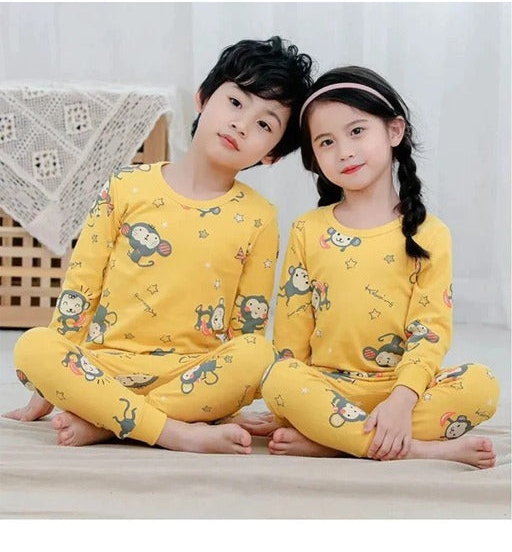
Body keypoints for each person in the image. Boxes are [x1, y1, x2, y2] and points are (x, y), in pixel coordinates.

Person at [2, 36, 313, 455]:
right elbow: (81, 287)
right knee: (33, 346)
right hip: (105, 367)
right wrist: (46, 388)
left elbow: (248, 324)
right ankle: (174, 430)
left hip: (189, 375)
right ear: (203, 98)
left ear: (272, 154)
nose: (242, 124)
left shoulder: (260, 217)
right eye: (236, 103)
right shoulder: (126, 186)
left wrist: (227, 399)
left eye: (264, 125)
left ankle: (109, 421)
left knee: (257, 354)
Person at [241, 66, 500, 468]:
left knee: (481, 386)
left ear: (394, 131)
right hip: (326, 387)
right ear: (315, 159)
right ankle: (411, 448)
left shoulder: (430, 234)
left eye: (357, 131)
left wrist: (402, 399)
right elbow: (292, 332)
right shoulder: (308, 230)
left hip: (400, 390)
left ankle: (332, 438)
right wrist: (289, 404)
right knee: (279, 379)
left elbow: (429, 331)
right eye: (327, 142)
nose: (344, 151)